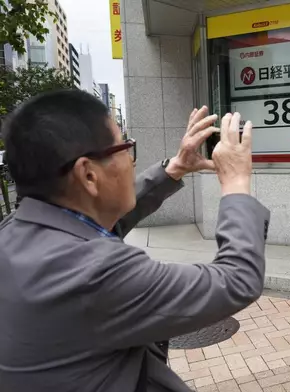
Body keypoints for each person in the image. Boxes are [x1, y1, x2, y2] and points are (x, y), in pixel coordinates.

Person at [0, 89, 269, 392]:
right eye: (125, 148)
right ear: (88, 175)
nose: (131, 161)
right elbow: (237, 280)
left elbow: (98, 220)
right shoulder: (95, 272)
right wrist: (236, 182)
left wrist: (177, 166)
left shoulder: (15, 232)